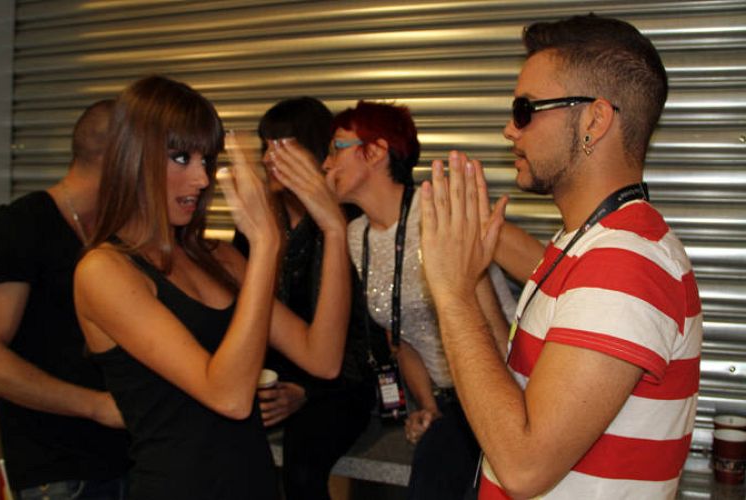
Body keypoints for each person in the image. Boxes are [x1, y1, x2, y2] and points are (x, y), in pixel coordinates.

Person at [419, 14, 702, 499]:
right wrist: (471, 277)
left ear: (594, 120)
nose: (509, 130)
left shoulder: (625, 263)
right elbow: (511, 391)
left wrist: (452, 296)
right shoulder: (585, 242)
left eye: (524, 110)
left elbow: (524, 466)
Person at [74, 76, 351, 499]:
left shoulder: (219, 257)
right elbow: (229, 397)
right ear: (134, 158)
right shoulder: (104, 272)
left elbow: (323, 358)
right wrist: (266, 246)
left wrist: (334, 230)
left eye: (207, 159)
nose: (202, 179)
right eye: (181, 158)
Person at [321, 100, 515, 499]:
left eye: (336, 148)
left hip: (498, 384)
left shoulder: (436, 214)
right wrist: (428, 408)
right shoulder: (357, 236)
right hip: (448, 398)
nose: (325, 165)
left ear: (375, 151)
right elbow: (401, 334)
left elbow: (540, 270)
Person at [0, 99, 131, 499]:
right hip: (60, 474)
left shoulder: (120, 233)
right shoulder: (18, 227)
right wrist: (97, 406)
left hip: (130, 463)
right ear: (119, 158)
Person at [233, 97, 384, 500]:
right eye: (265, 146)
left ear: (315, 154)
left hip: (340, 383)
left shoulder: (350, 225)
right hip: (269, 381)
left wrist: (305, 392)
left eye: (282, 147)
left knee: (302, 465)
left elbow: (367, 336)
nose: (268, 158)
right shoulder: (257, 222)